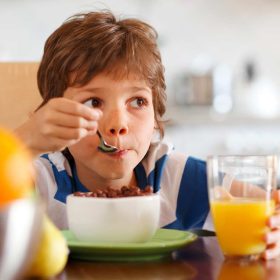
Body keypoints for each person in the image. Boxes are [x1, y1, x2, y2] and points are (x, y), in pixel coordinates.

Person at [15, 10, 280, 260]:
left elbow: (269, 207)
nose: (118, 124)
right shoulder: (39, 181)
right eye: (93, 102)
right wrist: (23, 142)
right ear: (54, 111)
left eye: (138, 102)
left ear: (156, 117)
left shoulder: (175, 178)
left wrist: (273, 230)